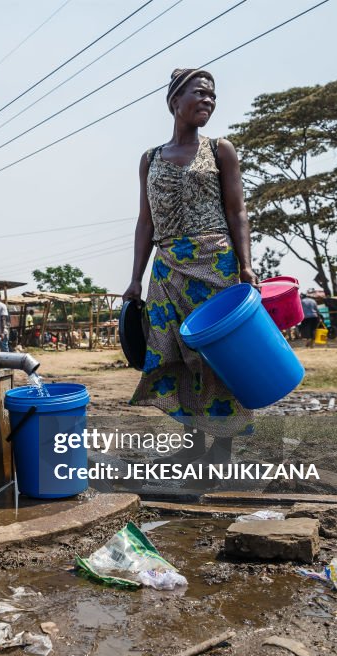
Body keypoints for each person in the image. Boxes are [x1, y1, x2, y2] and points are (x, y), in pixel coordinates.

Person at [123, 68, 258, 463]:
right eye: (200, 93)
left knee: (220, 357)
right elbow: (145, 221)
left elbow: (237, 213)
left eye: (213, 96)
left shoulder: (220, 150)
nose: (208, 101)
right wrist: (135, 278)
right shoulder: (150, 159)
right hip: (166, 269)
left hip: (215, 266)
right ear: (174, 101)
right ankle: (193, 441)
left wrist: (246, 267)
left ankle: (224, 444)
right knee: (176, 356)